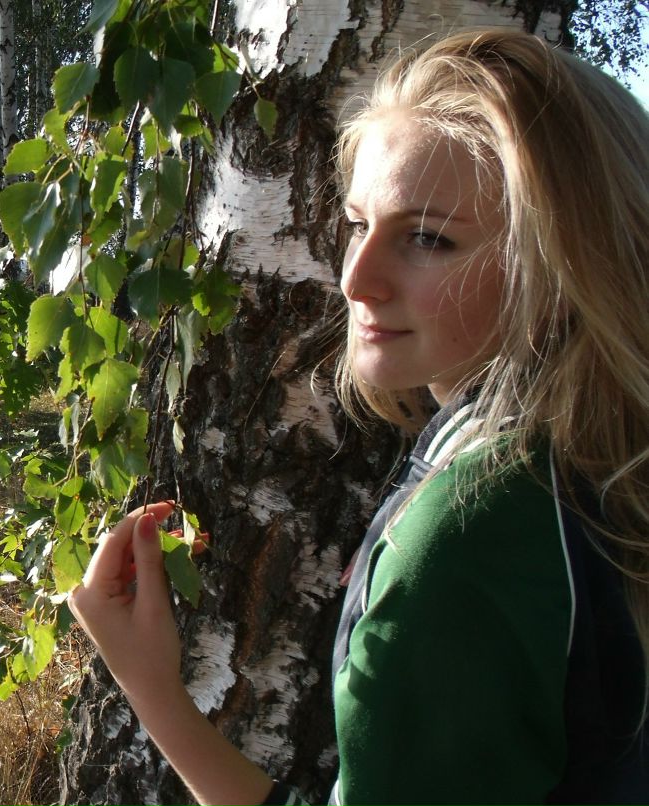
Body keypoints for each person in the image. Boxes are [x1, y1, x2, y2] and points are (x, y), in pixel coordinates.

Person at [68, 27, 649, 805]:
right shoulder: (594, 465)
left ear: (566, 264)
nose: (355, 278)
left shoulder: (470, 538)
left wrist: (153, 693)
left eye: (429, 240)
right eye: (358, 222)